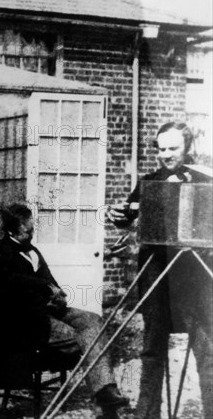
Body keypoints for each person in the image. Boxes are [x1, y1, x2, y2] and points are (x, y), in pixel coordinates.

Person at [107, 122, 212, 419]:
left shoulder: (206, 179)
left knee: (207, 352)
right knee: (152, 350)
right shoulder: (149, 181)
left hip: (195, 279)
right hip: (156, 276)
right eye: (161, 149)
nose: (166, 155)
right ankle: (147, 414)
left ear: (187, 147)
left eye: (173, 148)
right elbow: (128, 215)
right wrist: (119, 216)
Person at [0, 203, 129, 413]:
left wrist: (58, 294)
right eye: (28, 230)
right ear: (11, 230)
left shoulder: (33, 251)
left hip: (49, 310)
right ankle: (103, 396)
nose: (32, 233)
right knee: (84, 336)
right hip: (27, 321)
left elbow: (50, 282)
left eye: (33, 228)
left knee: (93, 320)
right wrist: (45, 288)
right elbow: (10, 284)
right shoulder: (1, 252)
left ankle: (105, 391)